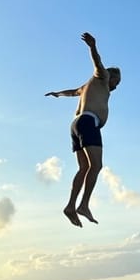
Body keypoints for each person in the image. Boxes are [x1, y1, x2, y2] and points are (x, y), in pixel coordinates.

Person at [46, 32, 121, 226]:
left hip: (76, 125)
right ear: (110, 76)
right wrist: (92, 47)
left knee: (84, 168)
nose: (116, 86)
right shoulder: (102, 77)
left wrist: (58, 94)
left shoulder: (87, 86)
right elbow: (98, 63)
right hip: (88, 123)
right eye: (116, 82)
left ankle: (71, 206)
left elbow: (72, 92)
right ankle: (84, 205)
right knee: (96, 166)